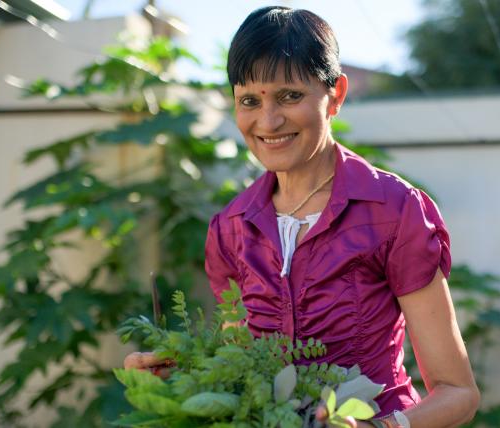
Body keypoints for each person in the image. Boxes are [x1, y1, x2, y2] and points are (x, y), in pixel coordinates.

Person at [124, 6, 479, 427]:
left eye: (290, 95)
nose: (268, 121)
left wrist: (382, 427)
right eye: (249, 101)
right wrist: (183, 371)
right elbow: (246, 367)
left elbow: (458, 393)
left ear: (336, 95)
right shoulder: (231, 228)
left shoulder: (395, 210)